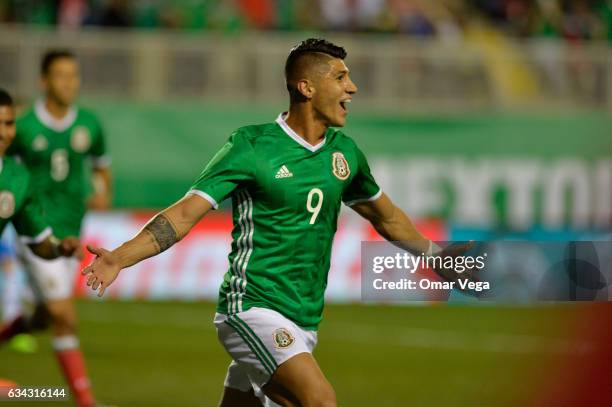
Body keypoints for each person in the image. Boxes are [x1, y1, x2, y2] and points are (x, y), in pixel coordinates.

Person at [82, 38, 470, 407]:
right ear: (306, 87)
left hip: (304, 318)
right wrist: (119, 258)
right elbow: (184, 214)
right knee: (319, 400)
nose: (352, 88)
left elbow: (386, 217)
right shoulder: (251, 146)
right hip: (252, 307)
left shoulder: (346, 154)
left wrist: (437, 256)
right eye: (340, 77)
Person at [7, 50, 112, 407]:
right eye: (61, 76)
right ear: (44, 81)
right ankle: (85, 400)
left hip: (71, 232)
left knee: (43, 315)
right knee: (64, 316)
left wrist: (103, 190)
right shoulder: (21, 126)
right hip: (34, 229)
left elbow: (101, 162)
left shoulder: (89, 123)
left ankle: (9, 331)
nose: (69, 83)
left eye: (74, 75)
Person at [0, 87, 81, 344]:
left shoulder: (18, 178)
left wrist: (60, 248)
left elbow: (38, 241)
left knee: (51, 315)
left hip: (65, 224)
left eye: (9, 123)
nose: (3, 132)